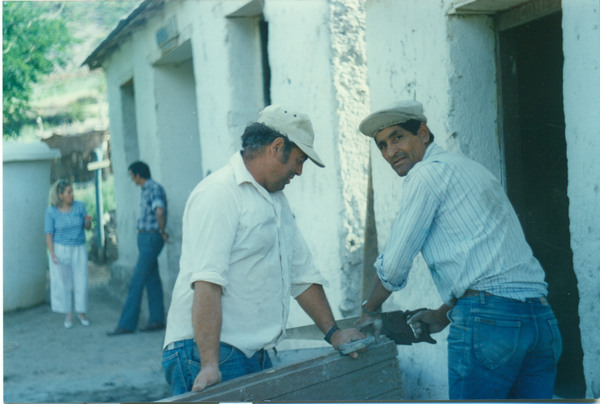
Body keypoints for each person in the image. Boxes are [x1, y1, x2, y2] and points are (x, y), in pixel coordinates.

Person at [355, 100, 562, 399]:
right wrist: (443, 313)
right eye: (382, 146)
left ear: (423, 133)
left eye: (397, 137)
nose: (390, 152)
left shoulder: (425, 175)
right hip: (542, 322)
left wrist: (369, 311)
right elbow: (491, 265)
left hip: (489, 325)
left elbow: (395, 265)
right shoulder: (471, 169)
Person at [161, 105, 365, 395]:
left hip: (251, 353)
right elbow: (207, 282)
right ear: (277, 146)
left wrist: (333, 333)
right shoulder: (219, 193)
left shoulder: (276, 201)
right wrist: (209, 364)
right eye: (298, 160)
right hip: (209, 352)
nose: (299, 170)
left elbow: (302, 274)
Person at [108, 161, 169, 336]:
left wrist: (162, 231)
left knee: (137, 280)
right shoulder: (147, 189)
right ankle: (157, 319)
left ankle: (127, 323)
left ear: (137, 175)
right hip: (146, 236)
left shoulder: (152, 188)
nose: (131, 179)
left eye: (131, 175)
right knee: (152, 278)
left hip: (150, 236)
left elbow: (159, 211)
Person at [44, 179, 92, 328]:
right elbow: (48, 233)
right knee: (62, 282)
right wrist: (52, 253)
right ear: (60, 195)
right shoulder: (51, 211)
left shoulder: (79, 206)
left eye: (72, 192)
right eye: (69, 192)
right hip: (61, 248)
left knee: (81, 280)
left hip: (79, 248)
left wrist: (88, 222)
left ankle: (81, 311)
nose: (72, 195)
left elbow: (87, 227)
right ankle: (68, 314)